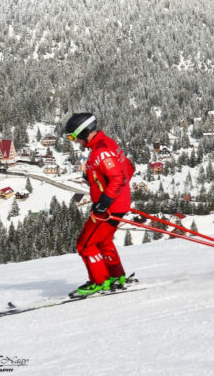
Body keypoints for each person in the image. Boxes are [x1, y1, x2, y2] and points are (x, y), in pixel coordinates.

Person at [64, 113, 135, 297]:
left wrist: (105, 202)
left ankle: (99, 281)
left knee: (85, 244)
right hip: (116, 203)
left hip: (109, 207)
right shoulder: (107, 143)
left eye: (74, 137)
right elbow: (128, 168)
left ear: (83, 131)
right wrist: (96, 180)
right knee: (103, 241)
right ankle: (116, 276)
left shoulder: (101, 151)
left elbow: (118, 178)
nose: (75, 141)